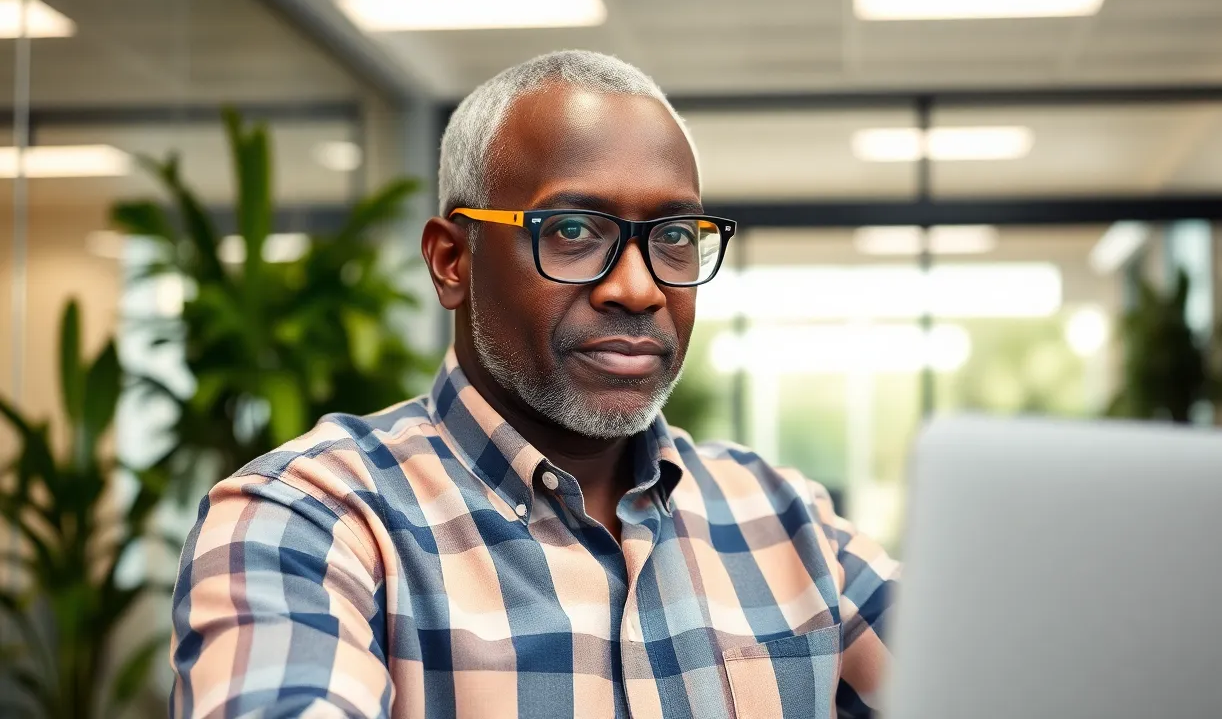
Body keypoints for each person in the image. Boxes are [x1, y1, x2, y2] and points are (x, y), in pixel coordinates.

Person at [169, 50, 897, 718]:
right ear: (453, 260)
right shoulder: (307, 523)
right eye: (574, 232)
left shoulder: (790, 521)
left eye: (674, 237)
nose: (639, 289)